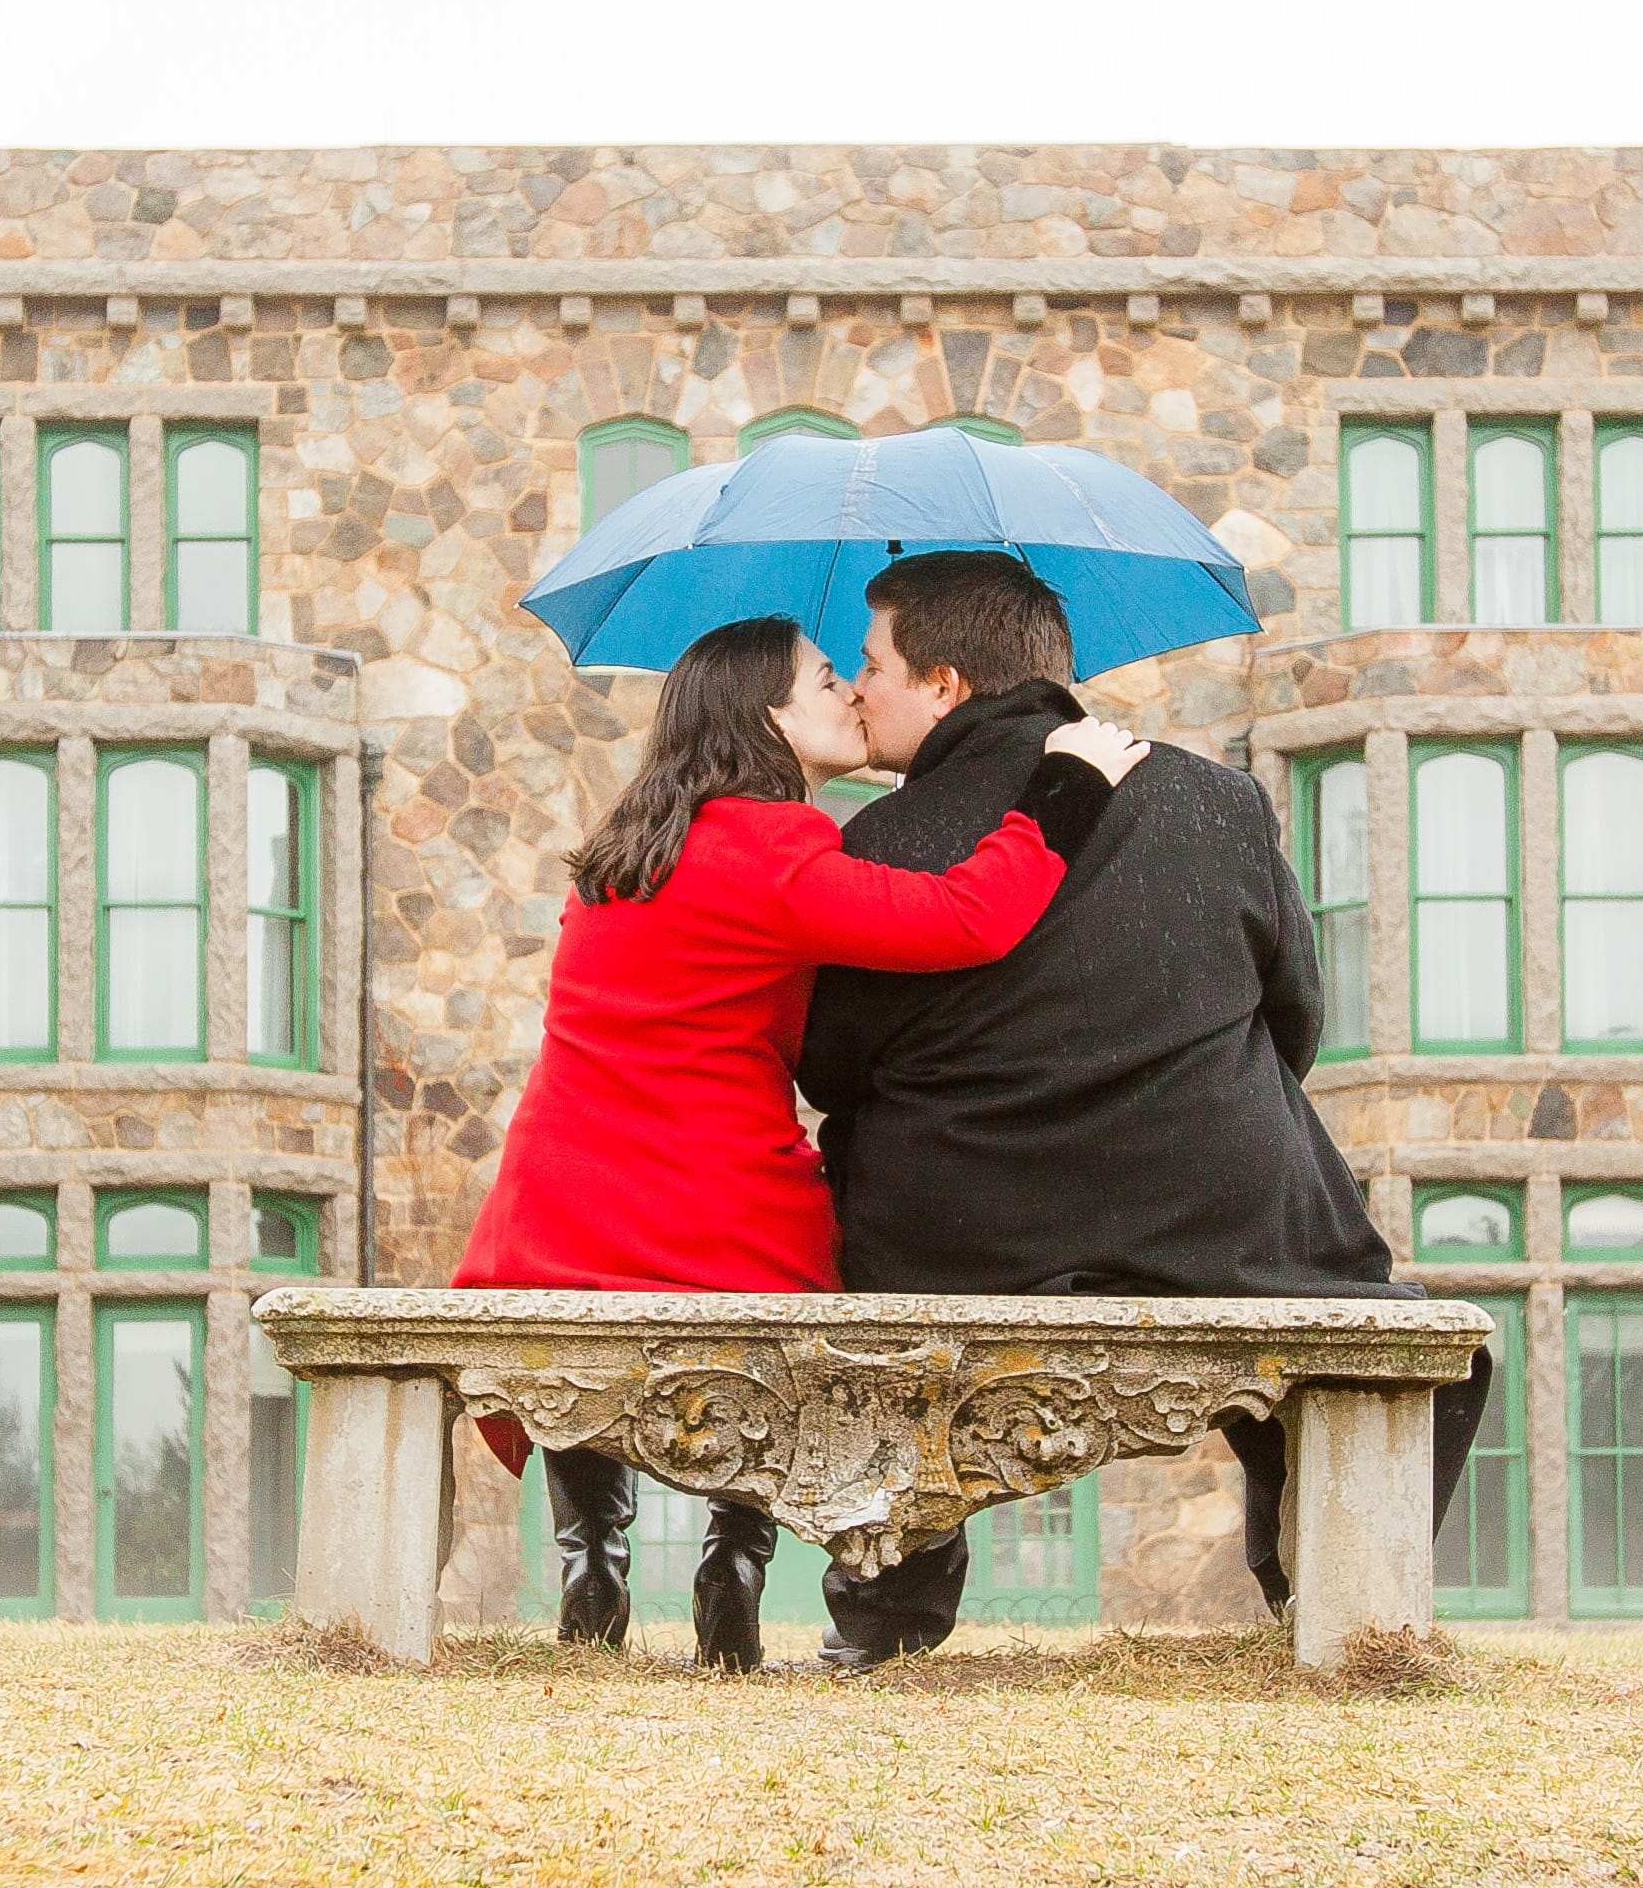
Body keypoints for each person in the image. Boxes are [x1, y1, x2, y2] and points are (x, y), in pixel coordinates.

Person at [794, 548, 1495, 1667]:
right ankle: (1318, 1587)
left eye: (873, 662)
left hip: (964, 1236)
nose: (856, 685)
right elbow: (1297, 1014)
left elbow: (831, 1068)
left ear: (946, 685)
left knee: (873, 1215)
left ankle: (886, 1615)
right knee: (1382, 1310)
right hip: (1211, 1224)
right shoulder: (1217, 800)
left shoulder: (884, 840)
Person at [453, 609, 1147, 1669]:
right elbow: (966, 919)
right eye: (827, 680)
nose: (850, 694)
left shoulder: (630, 846)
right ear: (764, 719)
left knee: (582, 1324)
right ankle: (735, 1560)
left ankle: (593, 1558)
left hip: (550, 1205)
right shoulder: (771, 847)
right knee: (818, 1279)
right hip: (707, 1204)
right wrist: (1066, 788)